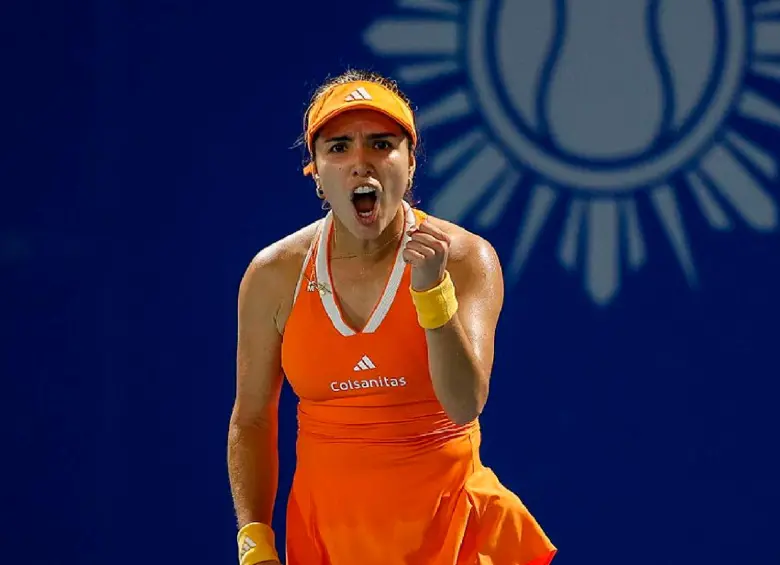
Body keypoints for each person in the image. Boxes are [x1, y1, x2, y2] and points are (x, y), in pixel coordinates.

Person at [227, 68, 557, 565]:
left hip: (455, 541)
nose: (361, 162)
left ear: (409, 163)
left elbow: (465, 402)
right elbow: (252, 418)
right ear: (314, 172)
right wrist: (254, 541)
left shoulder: (467, 259)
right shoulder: (274, 275)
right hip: (327, 544)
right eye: (338, 148)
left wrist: (431, 293)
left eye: (382, 144)